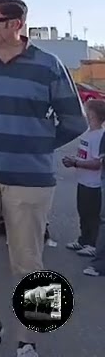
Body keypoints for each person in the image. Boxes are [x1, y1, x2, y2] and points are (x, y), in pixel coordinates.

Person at [0, 0, 84, 357]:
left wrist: (36, 143)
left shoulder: (49, 65)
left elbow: (75, 121)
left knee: (29, 262)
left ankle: (29, 341)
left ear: (15, 25)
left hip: (30, 176)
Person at [66, 99, 104, 259]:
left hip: (93, 184)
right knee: (83, 212)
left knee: (91, 215)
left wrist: (76, 162)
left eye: (86, 112)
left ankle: (92, 244)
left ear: (92, 115)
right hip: (82, 181)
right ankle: (83, 239)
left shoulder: (99, 136)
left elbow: (97, 163)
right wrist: (75, 160)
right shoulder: (88, 133)